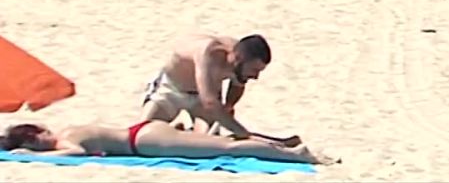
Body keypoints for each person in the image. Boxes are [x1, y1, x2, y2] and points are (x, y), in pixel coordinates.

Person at [3, 120, 318, 165]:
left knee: (227, 148)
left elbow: (75, 154)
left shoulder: (65, 141)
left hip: (144, 142)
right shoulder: (70, 127)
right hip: (144, 129)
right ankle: (284, 150)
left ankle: (295, 155)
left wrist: (33, 157)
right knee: (220, 142)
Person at [138, 33, 272, 136]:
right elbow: (210, 102)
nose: (256, 77)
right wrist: (243, 133)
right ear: (238, 58)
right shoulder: (209, 53)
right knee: (142, 133)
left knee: (206, 142)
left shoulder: (240, 57)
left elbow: (238, 83)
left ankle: (182, 133)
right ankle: (176, 132)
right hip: (172, 90)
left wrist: (228, 106)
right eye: (254, 70)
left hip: (202, 98)